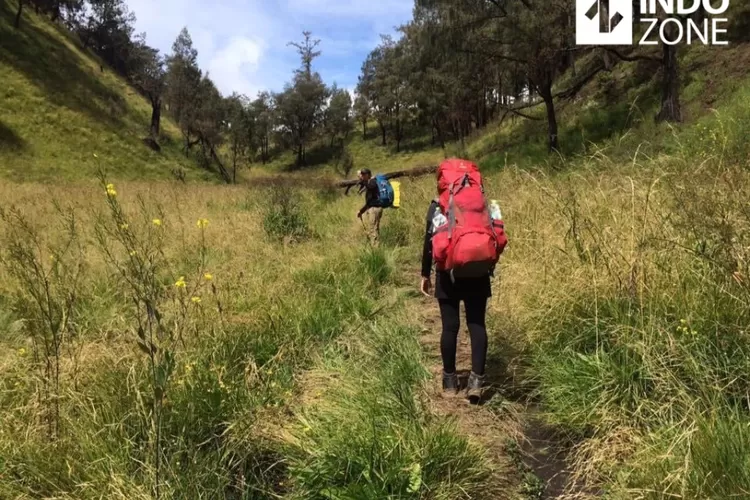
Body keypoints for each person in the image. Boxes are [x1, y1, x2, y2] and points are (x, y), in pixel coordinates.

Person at [420, 197, 492, 402]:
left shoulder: (437, 206)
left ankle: (450, 381)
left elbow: (429, 241)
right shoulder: (481, 202)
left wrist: (425, 274)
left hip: (446, 274)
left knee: (450, 327)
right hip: (478, 272)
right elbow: (498, 234)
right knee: (477, 325)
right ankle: (476, 382)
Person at [356, 168, 383, 247]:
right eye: (361, 175)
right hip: (373, 208)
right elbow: (369, 202)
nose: (362, 176)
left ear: (367, 175)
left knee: (373, 230)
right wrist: (361, 211)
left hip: (374, 209)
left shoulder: (372, 182)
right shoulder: (369, 183)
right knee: (375, 229)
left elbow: (370, 187)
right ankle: (376, 247)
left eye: (363, 175)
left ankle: (375, 250)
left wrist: (362, 180)